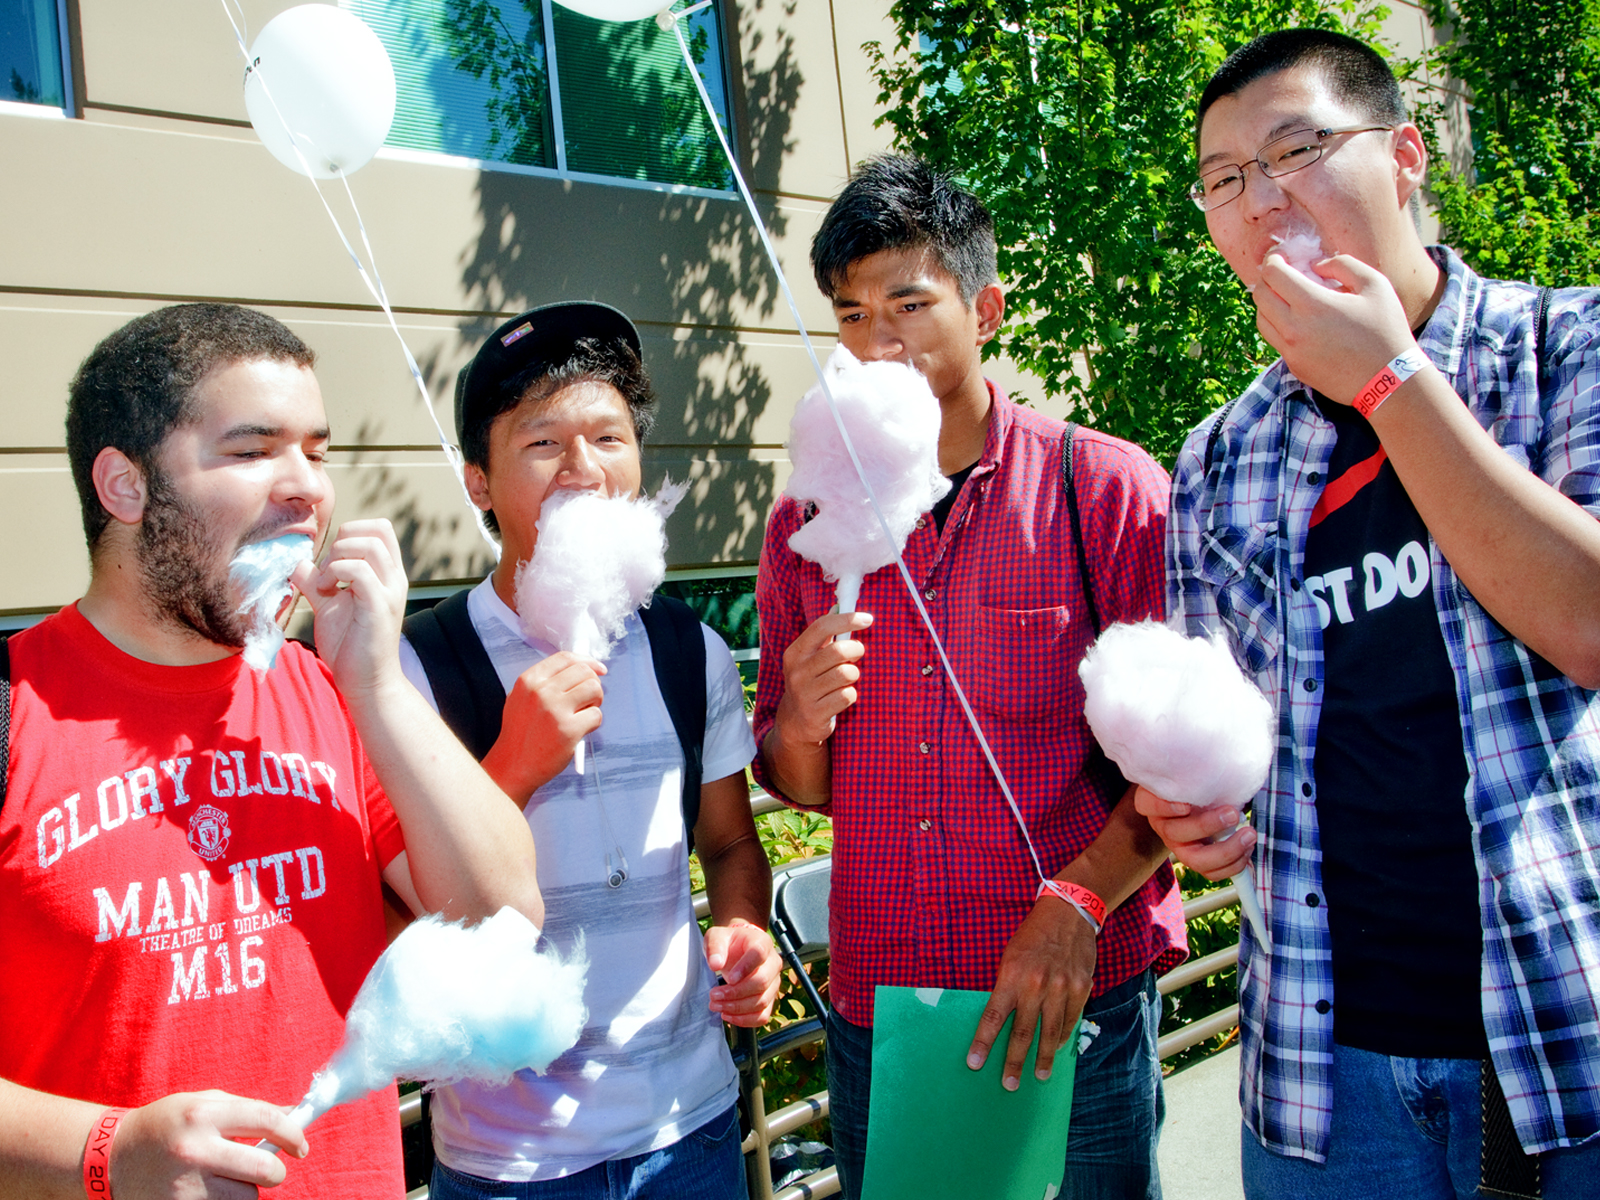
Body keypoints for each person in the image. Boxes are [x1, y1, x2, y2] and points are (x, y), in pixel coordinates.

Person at [1136, 28, 1600, 1198]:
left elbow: (1589, 623)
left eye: (1294, 152)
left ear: (1403, 158)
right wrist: (1187, 805)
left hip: (1565, 1036)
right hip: (1318, 1074)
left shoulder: (1567, 347)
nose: (1261, 201)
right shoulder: (1218, 457)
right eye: (1225, 180)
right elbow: (1221, 729)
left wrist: (1389, 382)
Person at [0, 303, 543, 1198]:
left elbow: (502, 922)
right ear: (124, 486)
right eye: (253, 452)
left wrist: (375, 686)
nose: (307, 490)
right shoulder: (17, 709)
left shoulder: (335, 690)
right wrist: (109, 1152)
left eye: (318, 452)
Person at [753, 154, 1187, 1200]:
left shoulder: (1106, 490)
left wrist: (1076, 906)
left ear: (984, 305)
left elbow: (1182, 763)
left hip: (1070, 999)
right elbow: (795, 781)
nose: (876, 339)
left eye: (908, 300)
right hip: (880, 1006)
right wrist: (805, 719)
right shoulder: (804, 525)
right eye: (850, 314)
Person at [395, 301, 782, 1200]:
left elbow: (728, 845)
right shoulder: (420, 668)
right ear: (478, 482)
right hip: (510, 1159)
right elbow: (408, 909)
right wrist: (514, 767)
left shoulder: (693, 651)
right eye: (541, 444)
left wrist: (745, 929)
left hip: (692, 1128)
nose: (582, 470)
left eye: (608, 437)